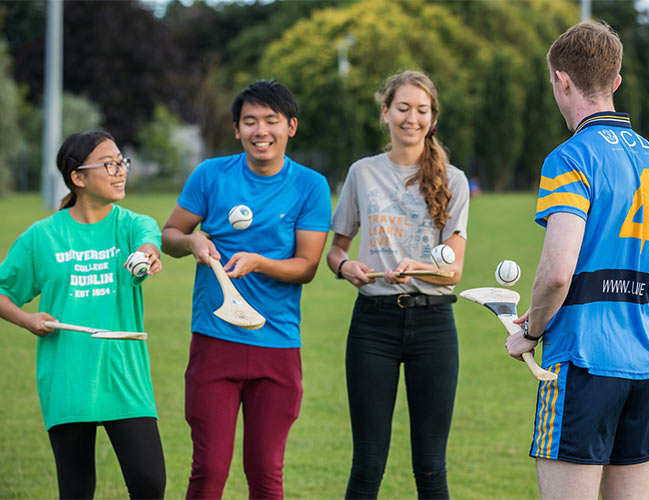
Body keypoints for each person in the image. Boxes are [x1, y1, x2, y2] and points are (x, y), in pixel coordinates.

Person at [505, 21, 649, 500]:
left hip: (582, 365)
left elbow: (558, 274)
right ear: (615, 81)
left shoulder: (570, 157)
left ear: (562, 80)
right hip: (644, 368)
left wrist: (530, 332)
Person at [161, 79, 331, 500]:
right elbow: (169, 235)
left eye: (271, 121)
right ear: (236, 129)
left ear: (291, 126)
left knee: (266, 474)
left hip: (278, 344)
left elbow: (307, 266)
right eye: (250, 121)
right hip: (215, 342)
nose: (261, 131)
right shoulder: (210, 175)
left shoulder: (311, 186)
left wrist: (259, 263)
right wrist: (192, 242)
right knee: (209, 472)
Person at [0, 131, 166, 499]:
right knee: (76, 490)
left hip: (125, 375)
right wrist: (27, 320)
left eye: (121, 161)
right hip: (68, 377)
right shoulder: (41, 237)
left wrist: (146, 254)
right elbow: (3, 291)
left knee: (150, 482)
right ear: (78, 177)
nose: (120, 171)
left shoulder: (131, 224)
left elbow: (148, 239)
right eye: (109, 164)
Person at [327, 70, 469, 499]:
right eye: (403, 108)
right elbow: (336, 250)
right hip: (373, 325)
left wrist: (418, 269)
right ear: (385, 112)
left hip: (434, 326)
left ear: (433, 118)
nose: (412, 118)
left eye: (422, 110)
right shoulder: (362, 173)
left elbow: (454, 271)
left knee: (430, 466)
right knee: (367, 464)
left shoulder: (454, 180)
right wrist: (345, 267)